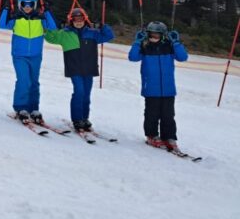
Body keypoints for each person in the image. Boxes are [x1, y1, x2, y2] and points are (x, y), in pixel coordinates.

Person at [44, 8, 114, 132]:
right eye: (75, 20)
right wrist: (54, 27)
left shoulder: (92, 33)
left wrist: (103, 26)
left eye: (81, 19)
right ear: (71, 21)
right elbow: (50, 38)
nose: (78, 22)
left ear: (85, 19)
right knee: (79, 91)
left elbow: (109, 36)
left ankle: (84, 118)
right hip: (74, 68)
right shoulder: (65, 33)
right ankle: (77, 119)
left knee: (86, 95)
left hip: (89, 68)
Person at [0, 0, 58, 123]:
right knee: (24, 80)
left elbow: (53, 27)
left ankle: (33, 108)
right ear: (20, 4)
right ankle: (21, 107)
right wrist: (6, 9)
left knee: (34, 82)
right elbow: (1, 25)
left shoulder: (40, 19)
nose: (27, 6)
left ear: (35, 5)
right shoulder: (16, 19)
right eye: (24, 4)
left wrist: (47, 11)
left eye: (30, 4)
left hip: (36, 55)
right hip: (19, 55)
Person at [128, 21, 188, 151]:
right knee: (152, 114)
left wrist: (176, 42)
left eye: (157, 34)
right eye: (152, 34)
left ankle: (169, 137)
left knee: (168, 115)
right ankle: (152, 135)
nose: (154, 37)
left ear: (163, 35)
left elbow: (183, 57)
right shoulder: (144, 47)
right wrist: (137, 42)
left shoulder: (169, 46)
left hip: (168, 89)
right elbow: (132, 57)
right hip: (151, 88)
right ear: (147, 33)